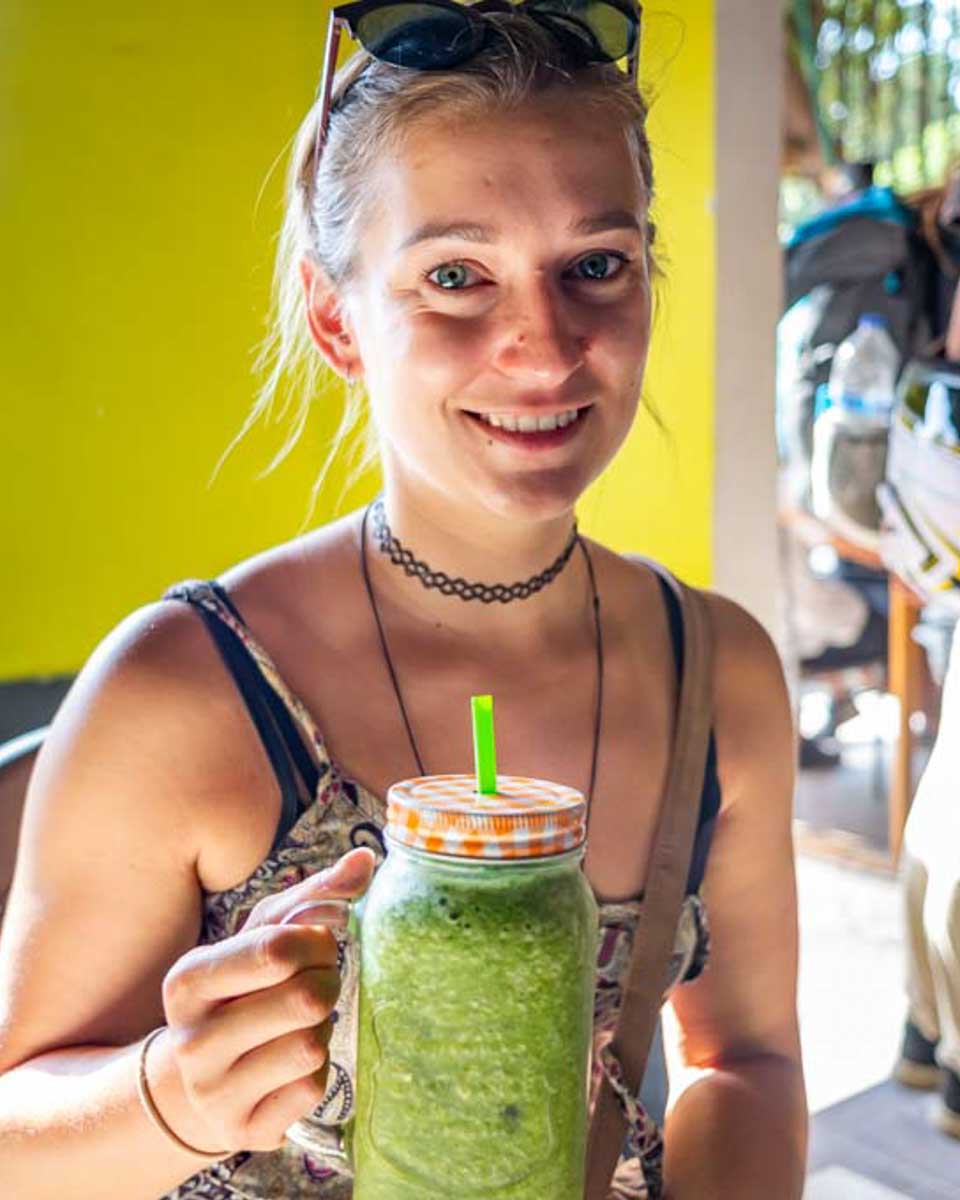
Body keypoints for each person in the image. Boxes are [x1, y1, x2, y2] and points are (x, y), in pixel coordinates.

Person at [0, 3, 807, 1197]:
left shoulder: (717, 674)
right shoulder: (184, 688)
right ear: (340, 320)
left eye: (597, 265)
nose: (542, 348)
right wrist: (172, 1096)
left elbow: (746, 1057)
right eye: (454, 276)